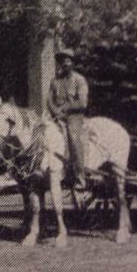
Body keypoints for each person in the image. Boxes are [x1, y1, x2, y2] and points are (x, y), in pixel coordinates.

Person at [47, 48, 89, 189]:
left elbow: (82, 103)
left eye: (68, 60)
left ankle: (79, 177)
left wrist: (65, 108)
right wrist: (55, 111)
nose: (65, 63)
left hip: (74, 117)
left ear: (72, 63)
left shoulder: (79, 80)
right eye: (62, 61)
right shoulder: (55, 82)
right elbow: (49, 100)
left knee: (72, 136)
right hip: (56, 116)